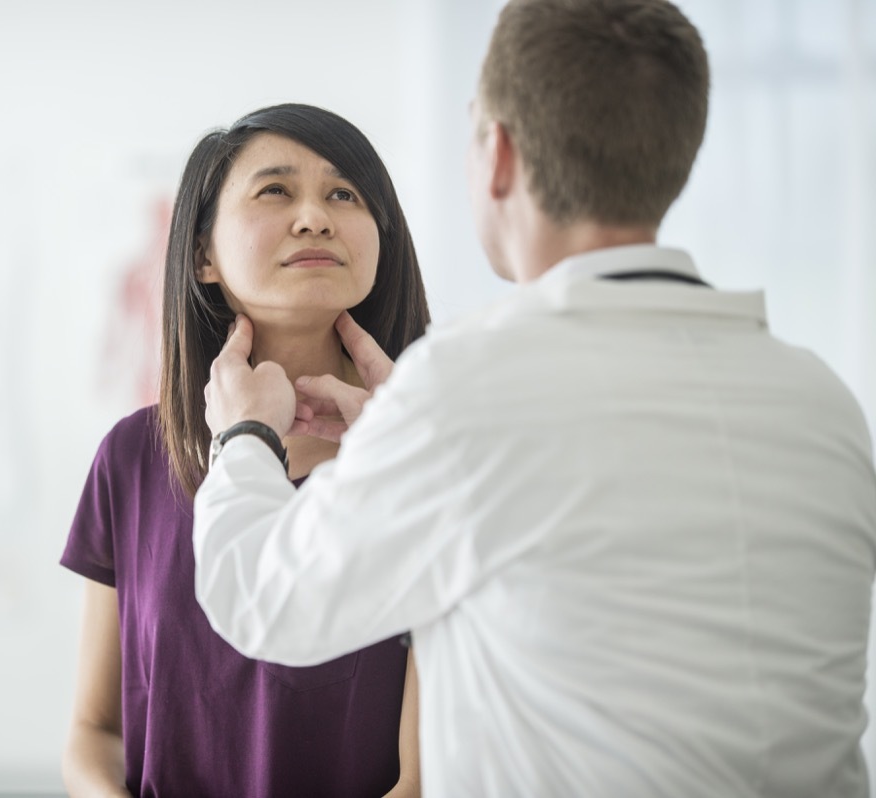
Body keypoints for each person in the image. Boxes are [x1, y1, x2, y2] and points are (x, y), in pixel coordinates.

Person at [192, 2, 876, 797]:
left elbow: (263, 601)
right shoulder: (821, 401)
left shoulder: (467, 387)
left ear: (500, 156)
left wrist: (244, 433)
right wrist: (404, 435)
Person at [60, 103, 431, 798]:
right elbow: (94, 731)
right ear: (203, 254)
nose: (315, 217)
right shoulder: (133, 457)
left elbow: (425, 777)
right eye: (276, 191)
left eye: (345, 195)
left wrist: (412, 453)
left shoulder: (426, 461)